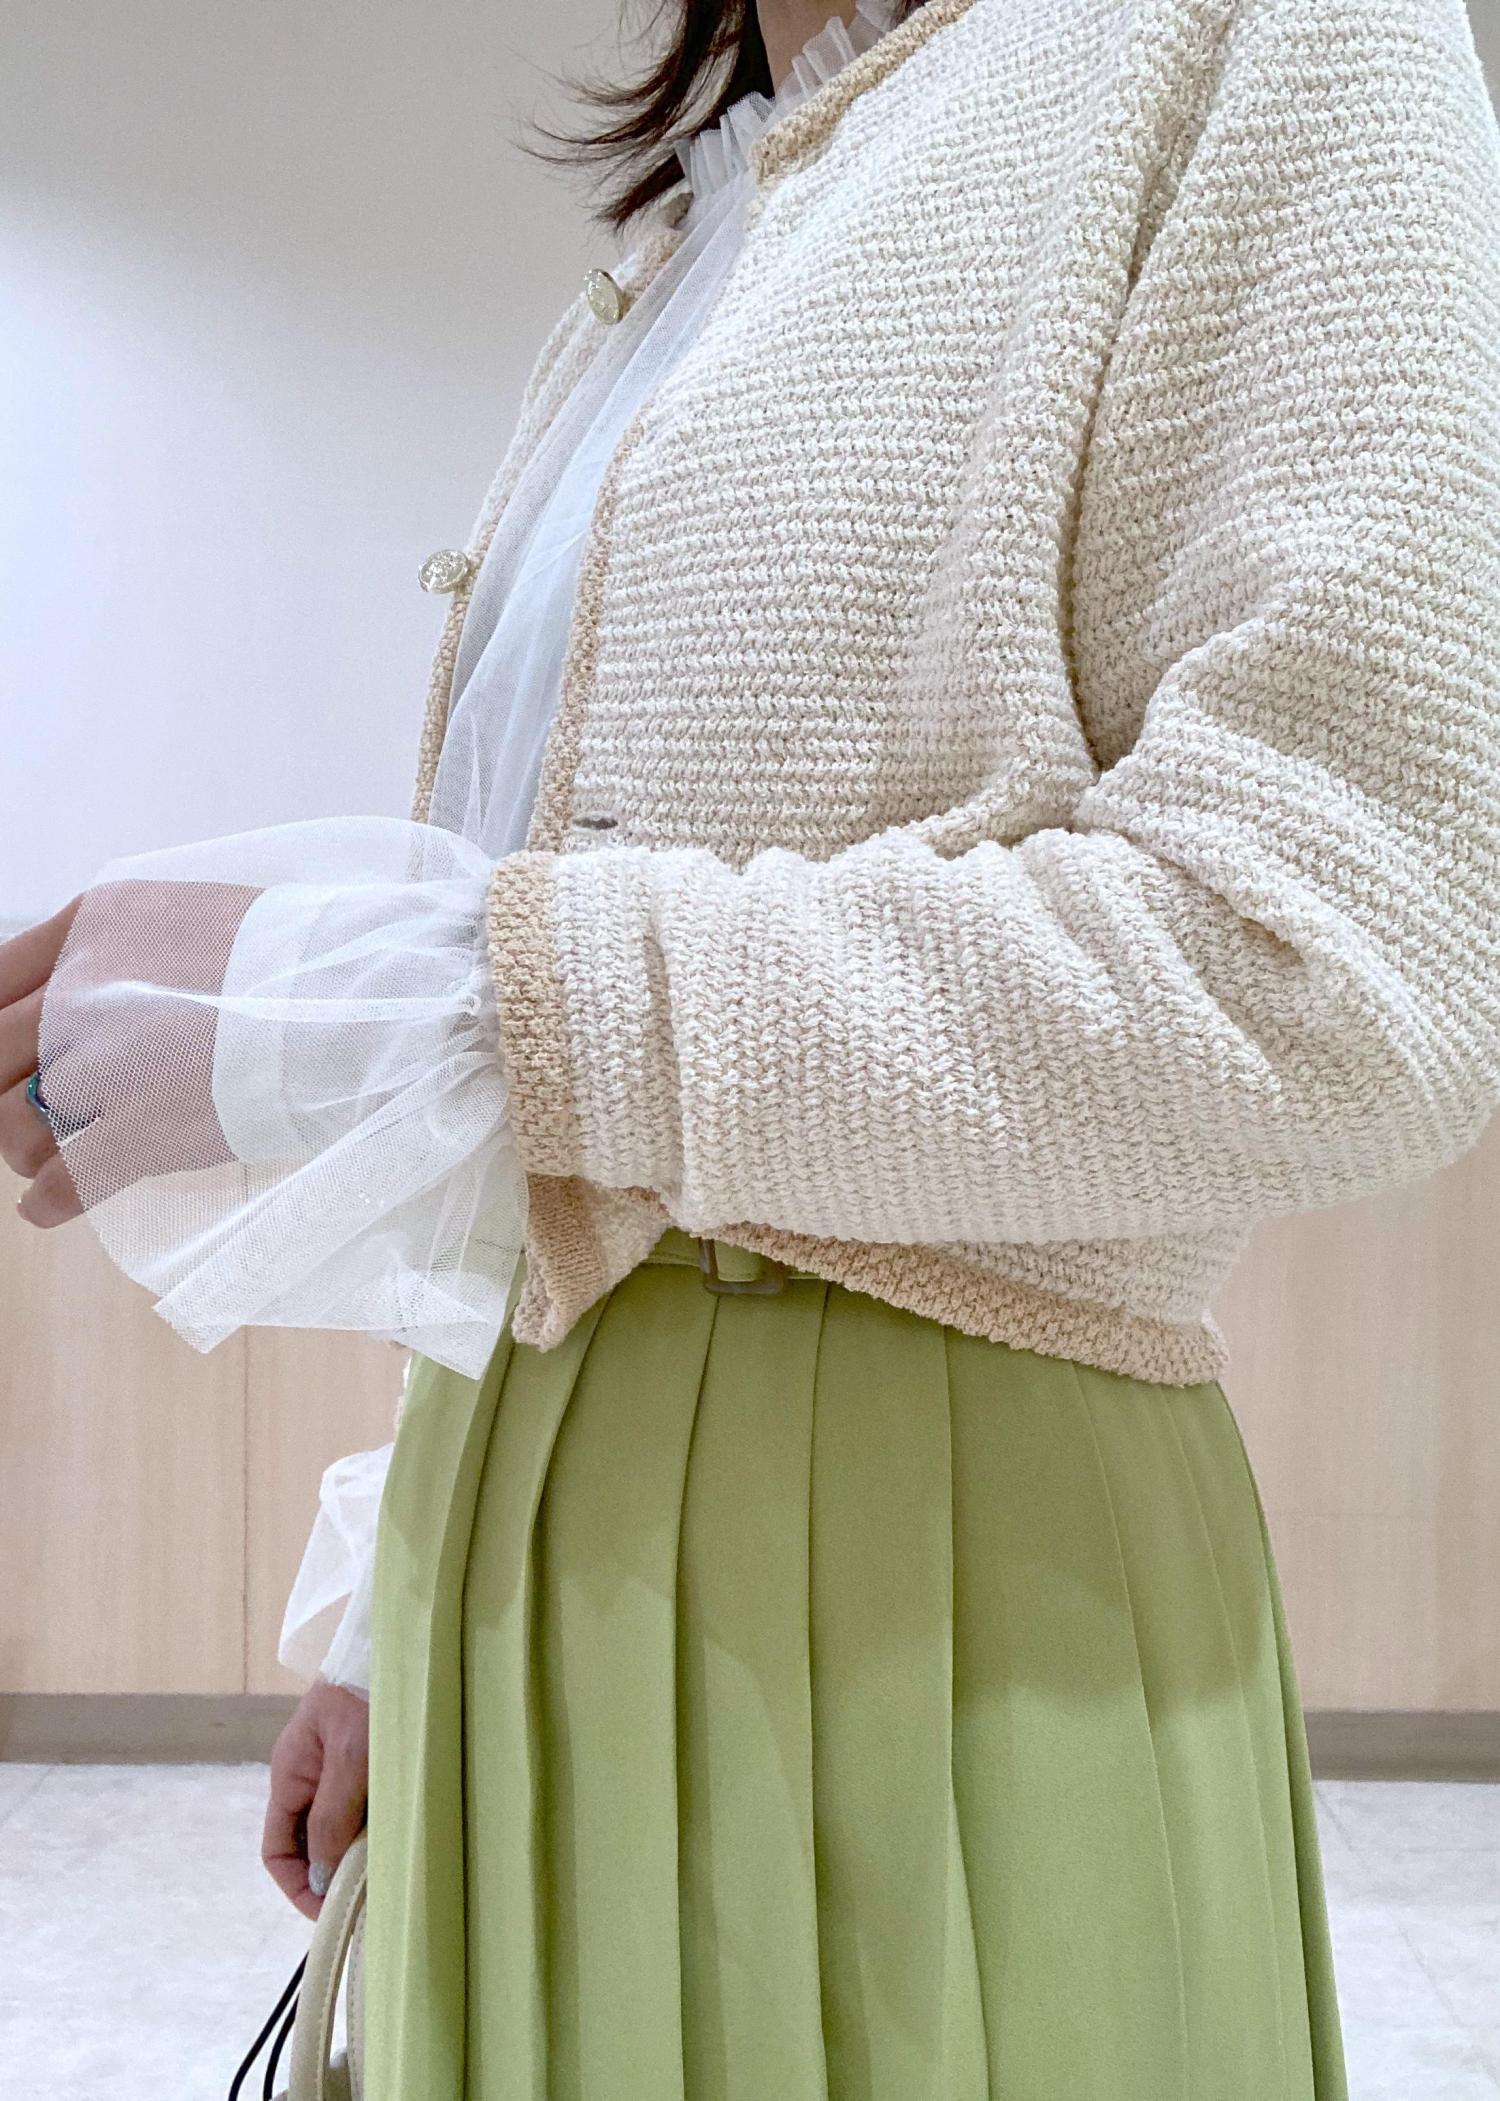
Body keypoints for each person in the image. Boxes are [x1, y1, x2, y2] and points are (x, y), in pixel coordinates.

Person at [4, 0, 1499, 2090]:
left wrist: (431, 1002)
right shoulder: (702, 223)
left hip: (948, 1602)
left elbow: (1337, 969)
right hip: (517, 1558)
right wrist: (383, 1603)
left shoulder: (1261, 35)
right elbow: (567, 1127)